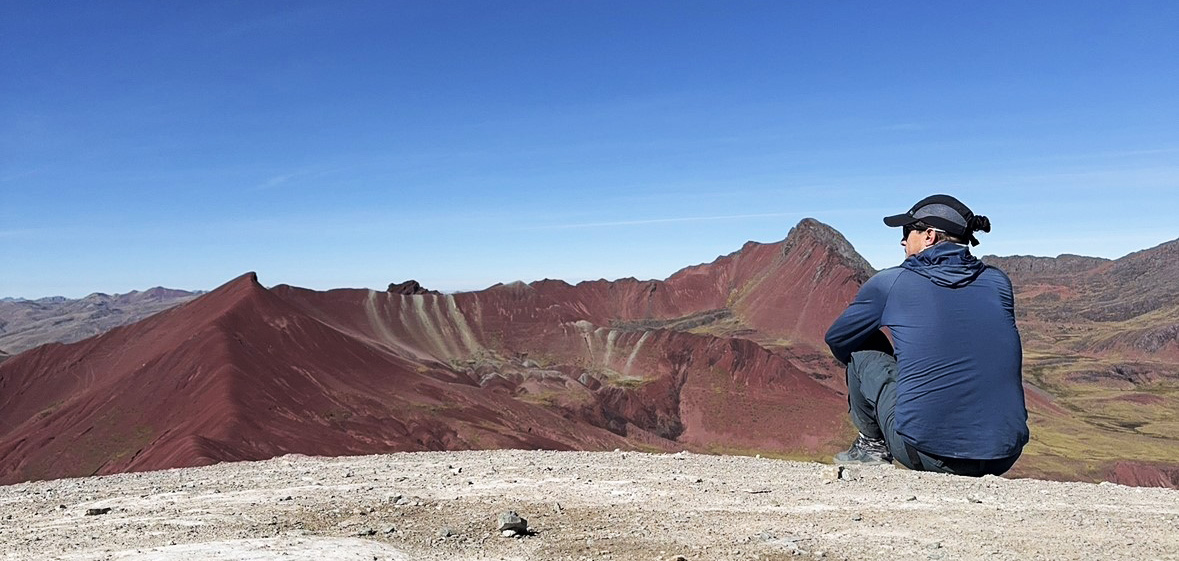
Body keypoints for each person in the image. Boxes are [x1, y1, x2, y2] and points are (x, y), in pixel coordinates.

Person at [824, 194, 1028, 476]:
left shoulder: (892, 282)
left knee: (862, 343)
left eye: (908, 232)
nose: (903, 241)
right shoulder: (998, 282)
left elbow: (838, 339)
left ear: (929, 236)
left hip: (926, 452)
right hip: (1004, 454)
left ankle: (871, 446)